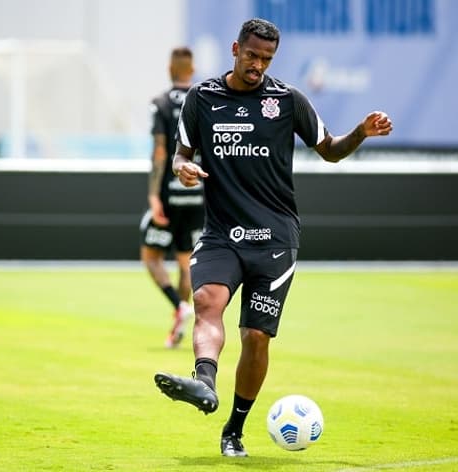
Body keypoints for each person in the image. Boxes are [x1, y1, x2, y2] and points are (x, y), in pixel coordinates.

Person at [154, 18, 392, 457]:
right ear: (235, 49)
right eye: (252, 56)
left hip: (275, 240)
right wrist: (182, 169)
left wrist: (361, 132)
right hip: (222, 233)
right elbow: (180, 156)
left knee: (255, 338)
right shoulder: (202, 99)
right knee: (207, 299)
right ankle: (204, 382)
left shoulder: (287, 101)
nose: (258, 66)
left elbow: (331, 150)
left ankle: (234, 430)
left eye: (266, 59)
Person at [139, 47, 204, 349]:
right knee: (186, 263)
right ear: (192, 70)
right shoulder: (204, 101)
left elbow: (161, 152)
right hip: (197, 192)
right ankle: (180, 321)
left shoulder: (161, 104)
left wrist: (154, 195)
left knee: (151, 257)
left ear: (170, 69)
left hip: (168, 195)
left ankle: (179, 307)